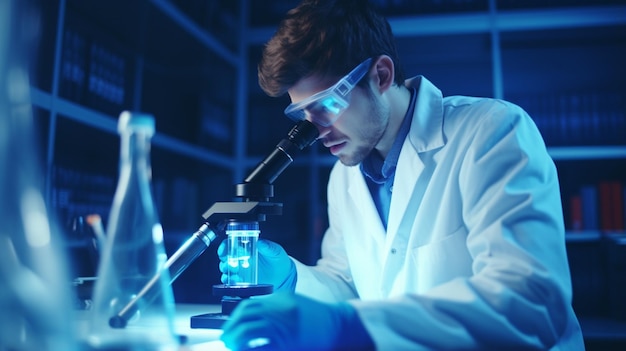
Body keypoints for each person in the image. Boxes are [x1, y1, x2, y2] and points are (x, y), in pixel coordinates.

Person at [218, 0, 585, 350]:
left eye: (327, 105)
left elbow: (530, 301)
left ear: (380, 75)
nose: (317, 130)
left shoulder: (492, 133)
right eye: (303, 115)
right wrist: (292, 279)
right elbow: (350, 286)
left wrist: (354, 327)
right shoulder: (344, 177)